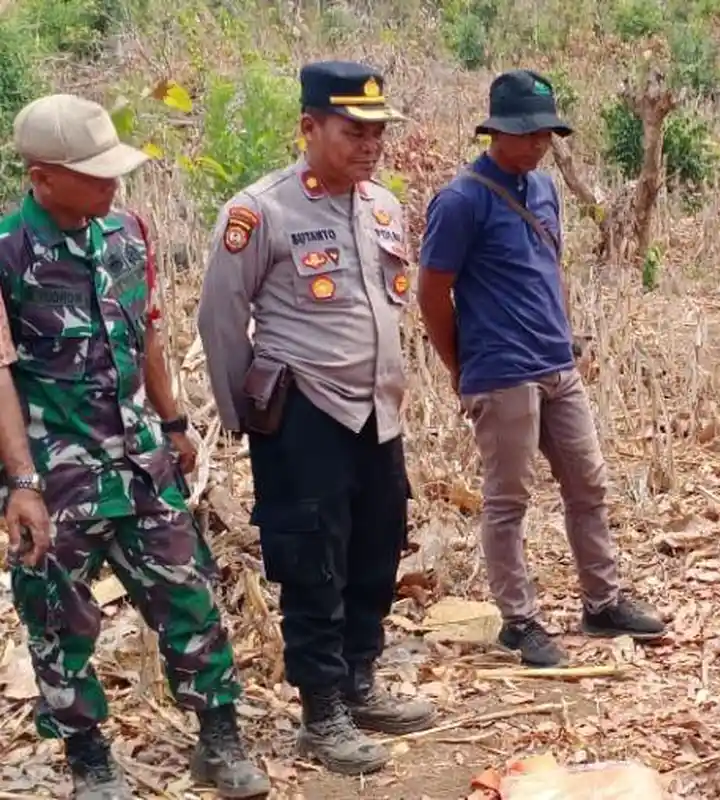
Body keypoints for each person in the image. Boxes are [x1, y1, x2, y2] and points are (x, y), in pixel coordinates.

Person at [0, 94, 269, 799]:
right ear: (42, 176)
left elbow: (146, 334)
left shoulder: (127, 232)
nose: (111, 185)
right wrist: (22, 482)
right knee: (59, 619)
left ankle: (219, 739)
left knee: (190, 598)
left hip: (142, 461)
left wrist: (175, 426)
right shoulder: (6, 253)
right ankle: (89, 759)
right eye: (93, 174)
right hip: (57, 476)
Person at [196, 61, 436, 776]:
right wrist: (248, 417)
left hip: (376, 413)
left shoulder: (383, 206)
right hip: (304, 412)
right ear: (308, 128)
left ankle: (360, 679)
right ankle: (321, 710)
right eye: (352, 131)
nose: (369, 145)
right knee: (311, 562)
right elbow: (220, 317)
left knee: (377, 547)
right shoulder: (260, 210)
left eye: (377, 132)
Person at [417, 69, 667, 669]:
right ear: (495, 132)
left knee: (588, 484)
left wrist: (567, 334)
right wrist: (461, 366)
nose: (536, 144)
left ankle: (601, 603)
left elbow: (549, 268)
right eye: (525, 134)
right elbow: (432, 295)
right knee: (508, 500)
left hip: (556, 362)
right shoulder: (461, 201)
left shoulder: (546, 190)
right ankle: (518, 621)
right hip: (501, 371)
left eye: (545, 134)